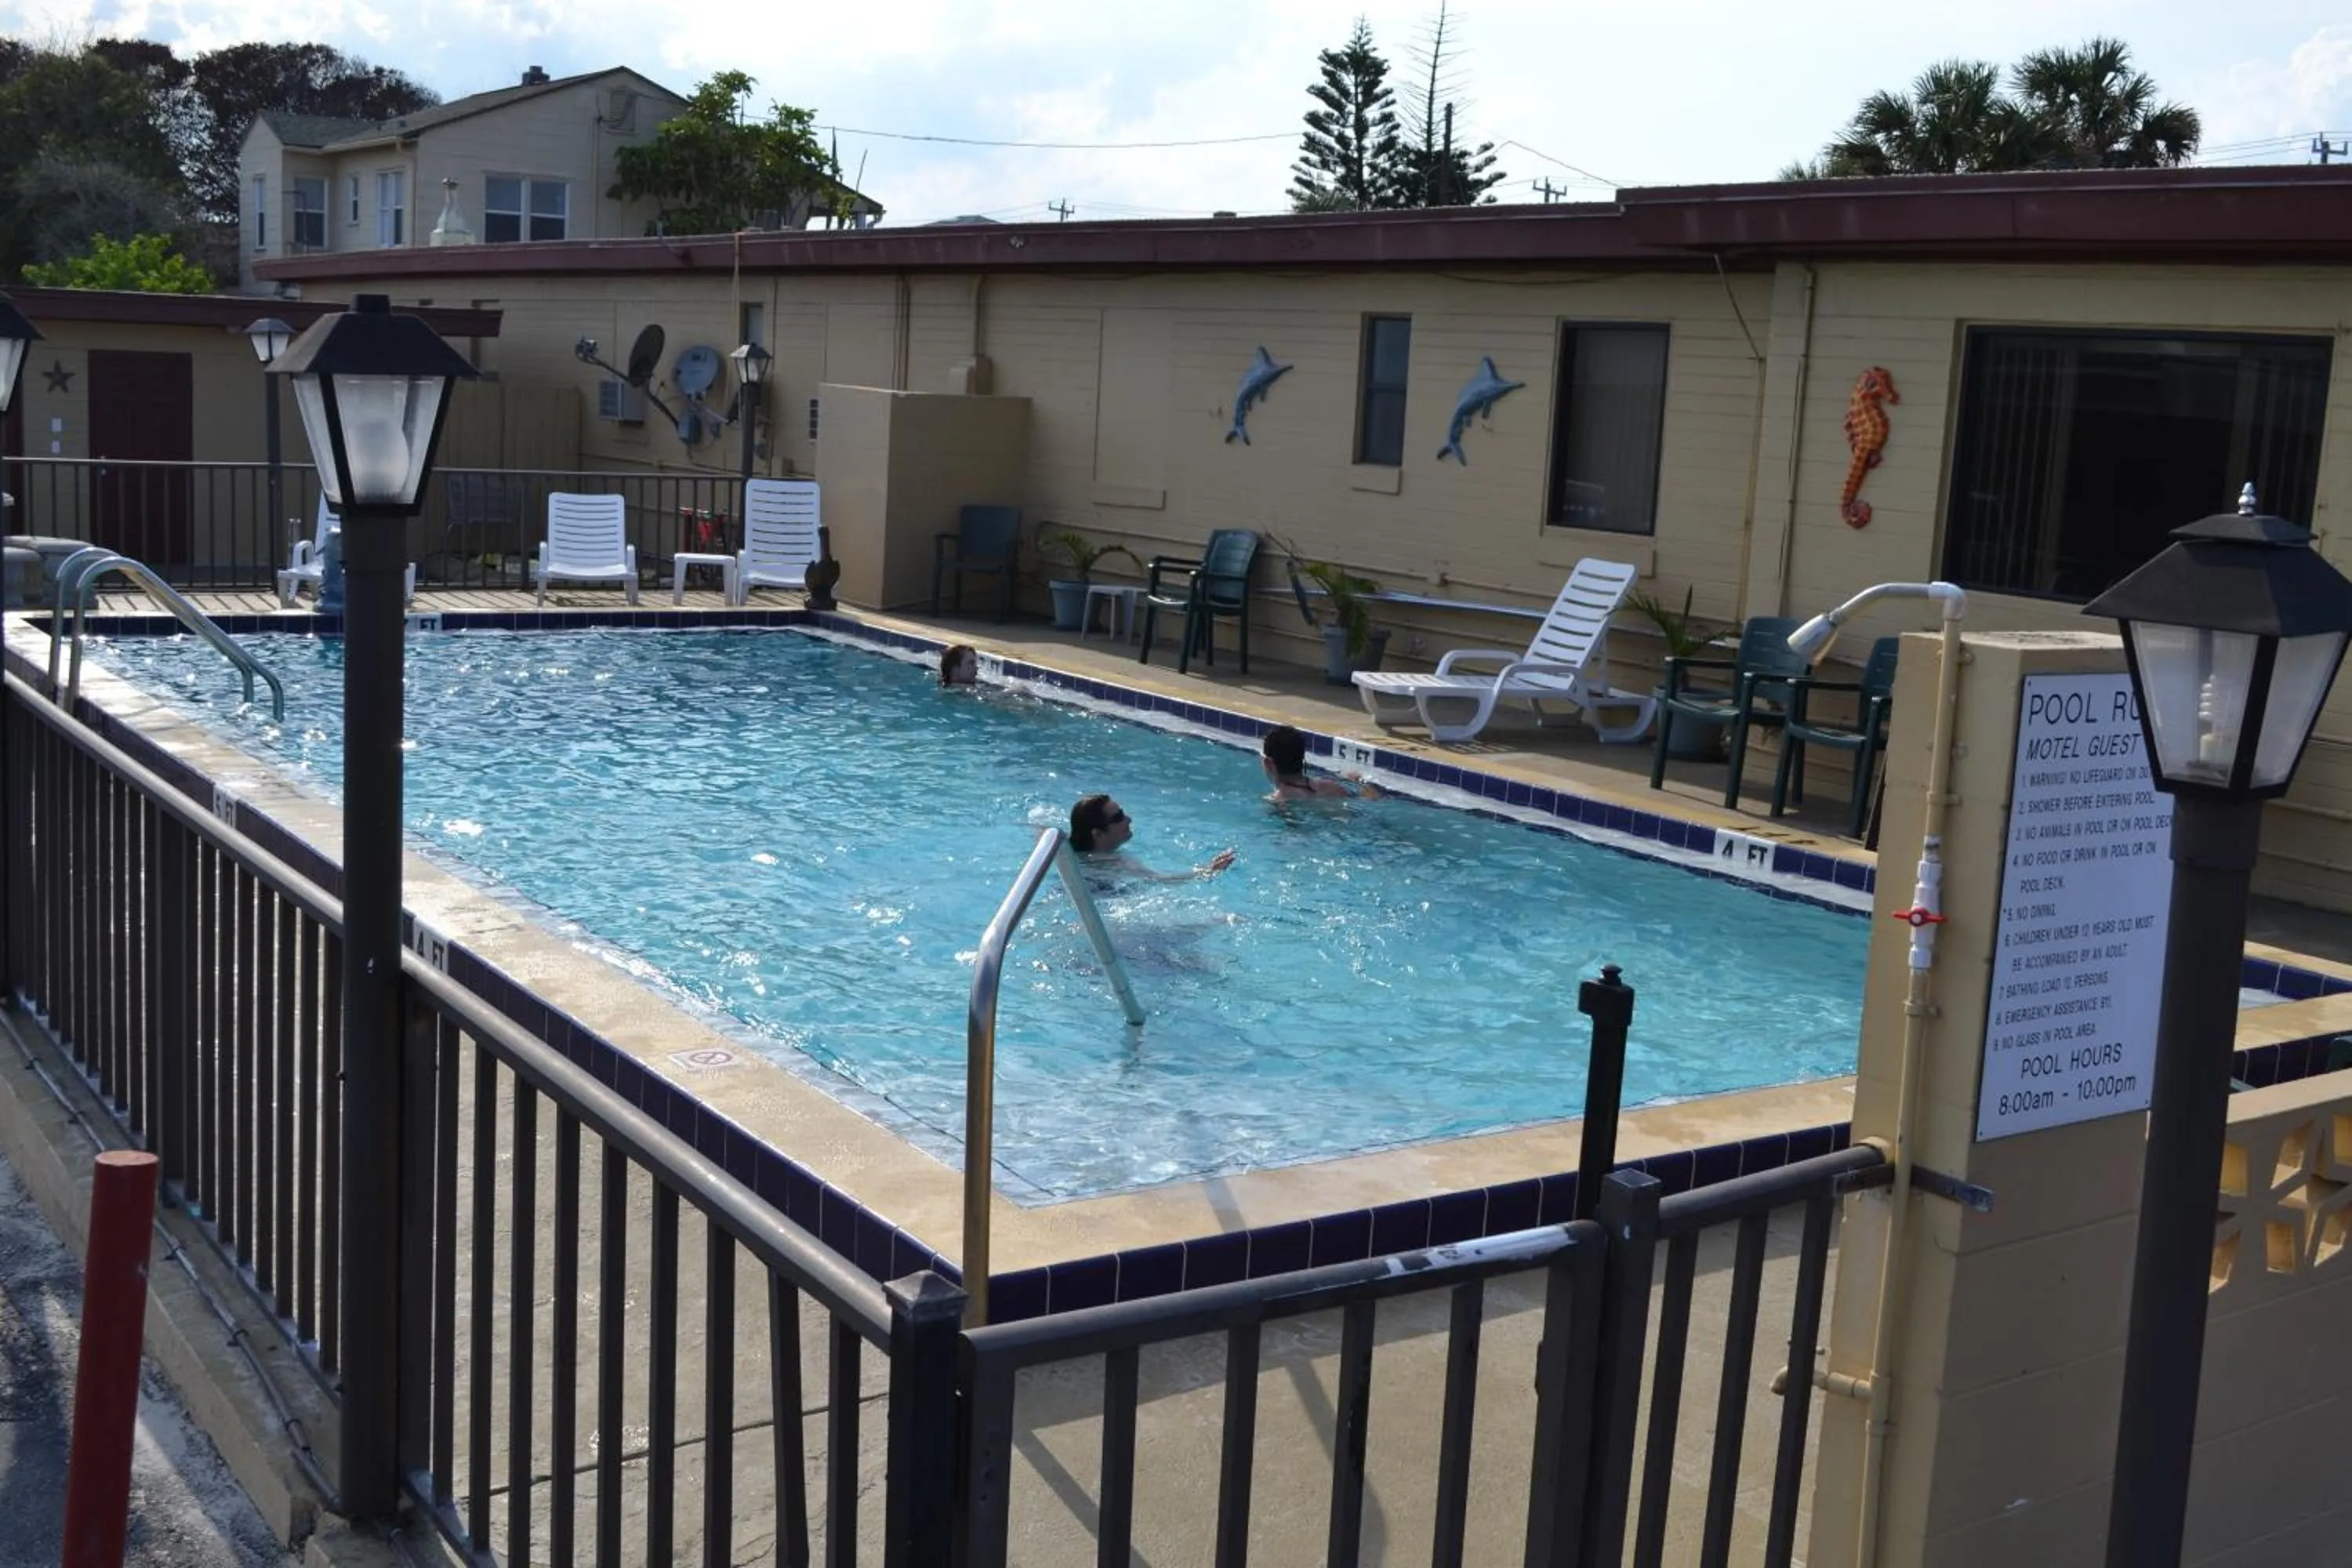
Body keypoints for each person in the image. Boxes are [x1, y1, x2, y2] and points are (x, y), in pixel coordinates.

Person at [1069, 793, 1234, 880]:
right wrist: (1208, 871)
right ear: (1097, 834)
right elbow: (1159, 879)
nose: (1128, 819)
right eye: (1118, 817)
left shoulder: (1071, 857)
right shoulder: (1115, 863)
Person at [1260, 725, 1381, 802]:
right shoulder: (1331, 787)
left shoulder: (1278, 801)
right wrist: (1360, 781)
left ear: (1269, 763)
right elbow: (1371, 797)